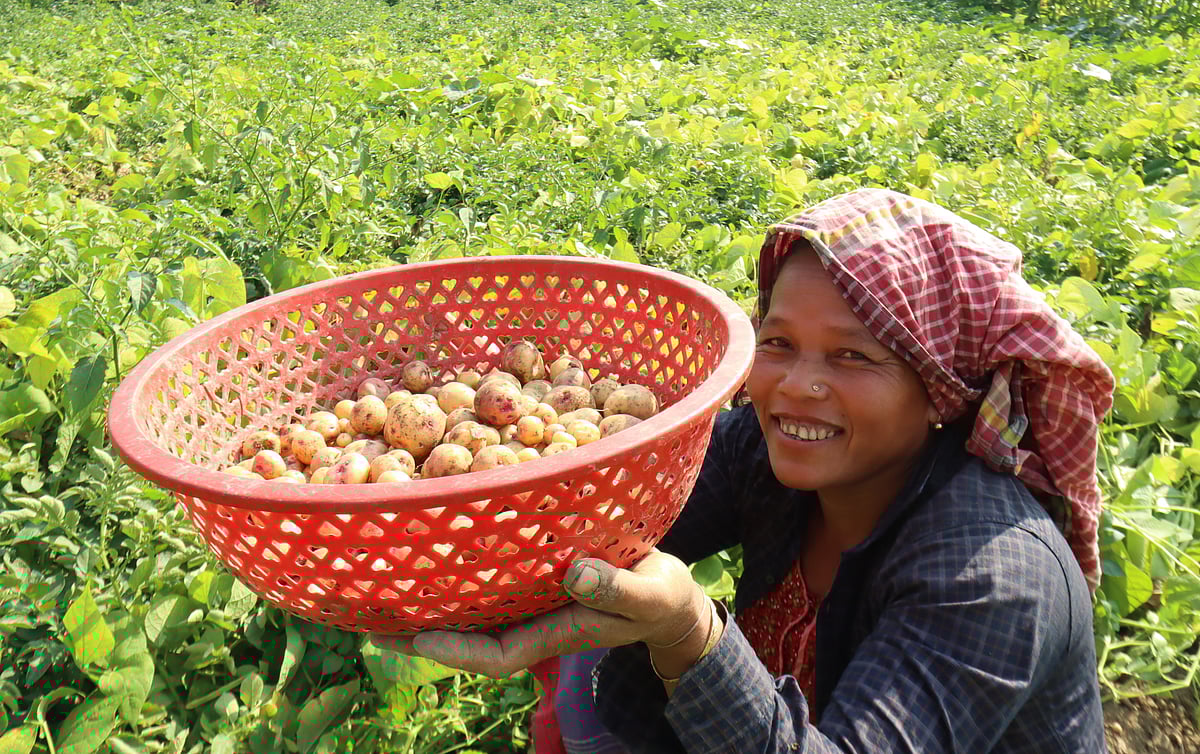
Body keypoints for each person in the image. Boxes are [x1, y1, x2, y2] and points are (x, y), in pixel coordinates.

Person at [370, 188, 1114, 752]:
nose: (795, 386)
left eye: (853, 356)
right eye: (779, 343)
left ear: (939, 391)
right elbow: (593, 535)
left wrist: (689, 634)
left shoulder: (994, 577)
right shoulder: (764, 450)